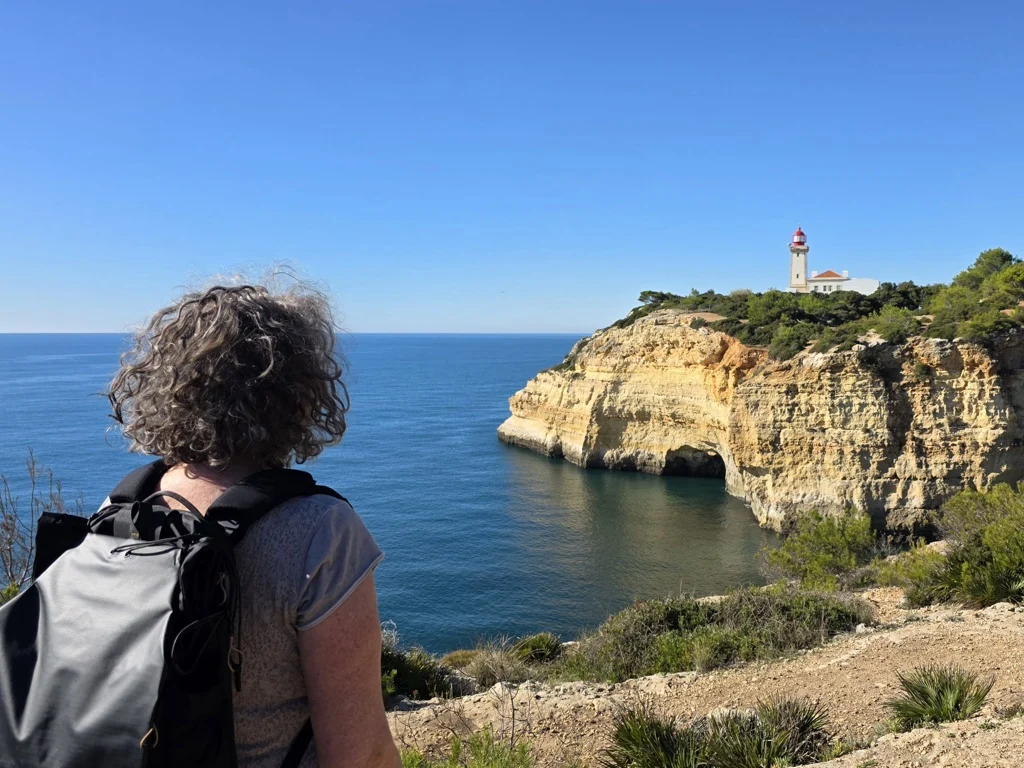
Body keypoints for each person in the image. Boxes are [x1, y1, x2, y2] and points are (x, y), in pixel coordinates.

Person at [106, 278, 401, 768]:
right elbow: (360, 756)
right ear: (301, 393)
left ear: (168, 386)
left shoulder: (119, 512)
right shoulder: (322, 533)